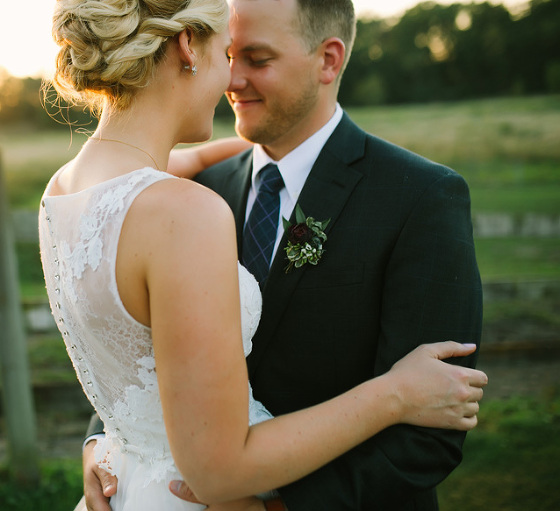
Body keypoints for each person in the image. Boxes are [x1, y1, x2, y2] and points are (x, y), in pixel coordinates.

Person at [45, 1, 486, 510]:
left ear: (328, 60)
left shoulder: (420, 197)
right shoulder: (192, 194)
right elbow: (139, 351)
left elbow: (431, 429)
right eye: (229, 54)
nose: (232, 79)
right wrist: (105, 440)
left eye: (257, 59)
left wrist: (277, 509)